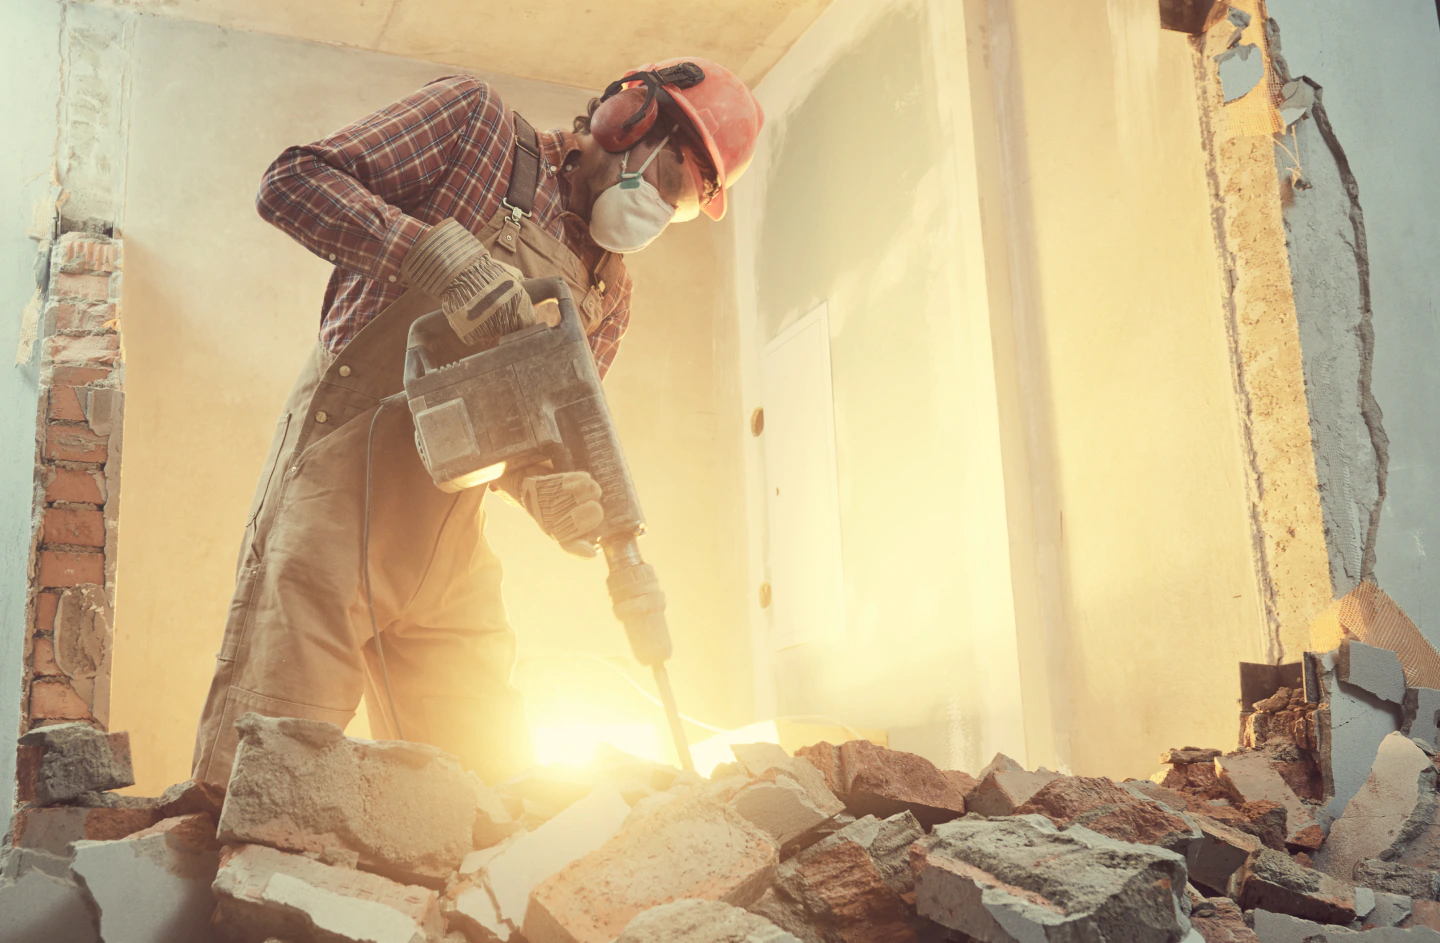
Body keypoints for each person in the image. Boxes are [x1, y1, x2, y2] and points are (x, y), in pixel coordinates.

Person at [190, 59, 763, 786]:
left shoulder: (608, 294)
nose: (661, 209)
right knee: (265, 783)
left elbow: (529, 438)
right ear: (630, 120)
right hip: (335, 506)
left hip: (448, 545)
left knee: (481, 800)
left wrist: (545, 492)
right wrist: (433, 257)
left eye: (682, 205)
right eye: (671, 181)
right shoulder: (477, 127)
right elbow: (292, 183)